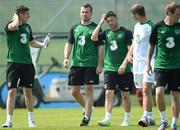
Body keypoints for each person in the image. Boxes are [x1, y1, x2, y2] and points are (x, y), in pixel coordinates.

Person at [2, 5, 49, 128]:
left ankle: (31, 119)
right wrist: (16, 16)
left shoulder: (27, 27)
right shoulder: (10, 25)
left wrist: (43, 45)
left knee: (28, 92)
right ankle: (9, 121)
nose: (29, 16)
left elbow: (32, 42)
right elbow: (15, 25)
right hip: (13, 63)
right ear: (20, 15)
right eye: (27, 14)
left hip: (27, 64)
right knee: (12, 91)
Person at [63, 3, 103, 126]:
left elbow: (101, 47)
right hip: (76, 63)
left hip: (91, 64)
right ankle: (88, 108)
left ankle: (86, 118)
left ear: (91, 13)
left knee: (89, 89)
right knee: (74, 92)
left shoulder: (96, 28)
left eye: (86, 12)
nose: (84, 14)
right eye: (82, 12)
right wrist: (66, 57)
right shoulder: (74, 28)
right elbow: (69, 44)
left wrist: (100, 64)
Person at [91, 11, 133, 126]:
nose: (110, 23)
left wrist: (124, 64)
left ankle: (127, 118)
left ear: (117, 19)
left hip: (125, 69)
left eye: (112, 20)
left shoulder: (126, 32)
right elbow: (93, 37)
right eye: (108, 21)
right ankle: (107, 119)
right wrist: (100, 23)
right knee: (109, 93)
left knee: (125, 95)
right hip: (109, 68)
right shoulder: (106, 32)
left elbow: (131, 50)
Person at [147, 2, 180, 130]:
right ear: (170, 13)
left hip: (176, 66)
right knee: (159, 92)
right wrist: (148, 64)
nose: (179, 16)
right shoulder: (157, 27)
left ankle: (174, 123)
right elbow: (152, 46)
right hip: (161, 66)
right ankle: (164, 120)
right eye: (177, 14)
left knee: (175, 96)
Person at [127, 3, 156, 127]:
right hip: (137, 64)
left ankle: (145, 116)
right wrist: (129, 54)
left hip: (149, 63)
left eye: (132, 15)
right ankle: (151, 117)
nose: (132, 17)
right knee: (143, 91)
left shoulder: (152, 26)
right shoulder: (137, 25)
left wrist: (151, 62)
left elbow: (156, 45)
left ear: (137, 14)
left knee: (146, 90)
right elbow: (135, 43)